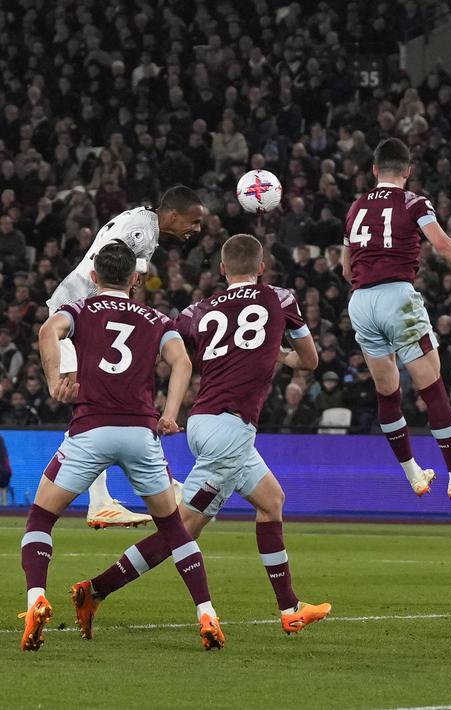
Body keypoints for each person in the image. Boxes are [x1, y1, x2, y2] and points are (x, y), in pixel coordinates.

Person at [71, 234, 331, 639]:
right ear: (262, 268)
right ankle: (96, 589)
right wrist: (279, 353)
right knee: (183, 528)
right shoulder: (280, 299)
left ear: (222, 270)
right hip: (231, 429)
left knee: (271, 501)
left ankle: (290, 608)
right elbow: (310, 361)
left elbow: (164, 347)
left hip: (206, 421)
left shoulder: (198, 310)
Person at [22, 242, 220, 651]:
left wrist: (55, 381)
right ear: (135, 279)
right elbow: (182, 362)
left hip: (90, 429)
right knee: (174, 528)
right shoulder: (156, 318)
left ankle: (36, 599)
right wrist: (170, 413)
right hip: (139, 433)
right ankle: (207, 613)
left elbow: (47, 331)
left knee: (40, 518)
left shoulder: (79, 309)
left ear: (94, 277)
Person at [343, 138, 451, 498]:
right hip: (397, 296)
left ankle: (414, 474)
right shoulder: (414, 202)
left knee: (387, 392)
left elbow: (346, 268)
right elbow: (442, 245)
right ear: (408, 170)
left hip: (360, 301)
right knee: (432, 386)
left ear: (374, 169)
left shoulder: (355, 206)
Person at [46, 185, 205, 529]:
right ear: (173, 215)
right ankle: (102, 501)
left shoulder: (145, 226)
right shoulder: (140, 231)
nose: (197, 229)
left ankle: (114, 496)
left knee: (101, 402)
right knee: (96, 401)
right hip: (80, 316)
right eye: (193, 221)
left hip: (88, 315)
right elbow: (109, 265)